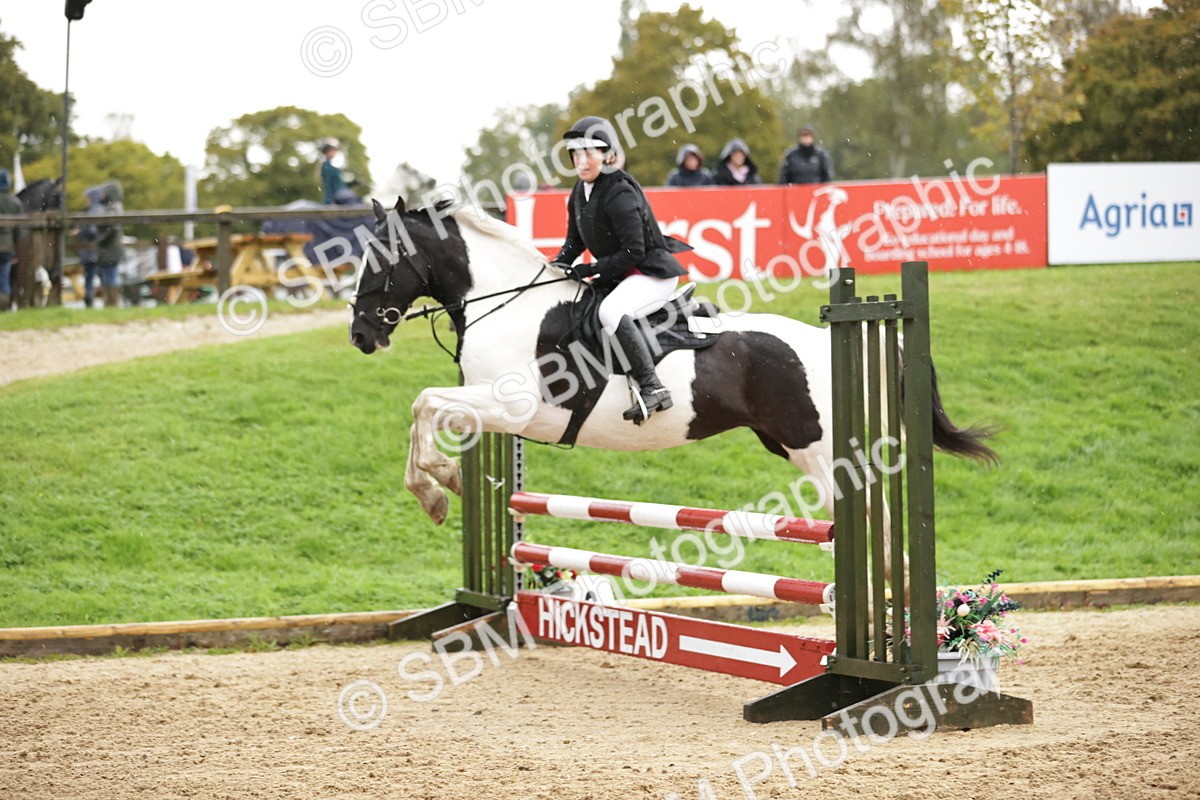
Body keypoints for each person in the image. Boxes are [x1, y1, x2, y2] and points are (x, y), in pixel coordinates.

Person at [551, 116, 690, 423]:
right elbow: (573, 243)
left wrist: (590, 269)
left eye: (589, 153)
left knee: (610, 312)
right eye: (575, 154)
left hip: (649, 274)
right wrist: (553, 267)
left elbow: (634, 251)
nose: (580, 160)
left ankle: (653, 387)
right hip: (620, 274)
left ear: (608, 156)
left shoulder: (620, 191)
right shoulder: (578, 192)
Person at [94, 181, 124, 308]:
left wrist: (101, 239)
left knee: (110, 277)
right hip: (107, 250)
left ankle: (112, 303)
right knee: (107, 277)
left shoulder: (114, 208)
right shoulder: (111, 208)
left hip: (110, 249)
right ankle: (110, 302)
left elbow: (113, 228)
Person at [0, 169, 22, 312]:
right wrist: (15, 248)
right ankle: (4, 309)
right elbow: (18, 230)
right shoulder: (15, 202)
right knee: (4, 280)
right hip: (7, 247)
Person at [320, 139, 349, 204]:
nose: (334, 152)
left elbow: (340, 184)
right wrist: (330, 201)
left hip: (342, 197)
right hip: (337, 199)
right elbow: (327, 184)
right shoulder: (326, 166)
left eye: (335, 150)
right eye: (332, 150)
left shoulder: (335, 167)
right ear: (326, 151)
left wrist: (353, 183)